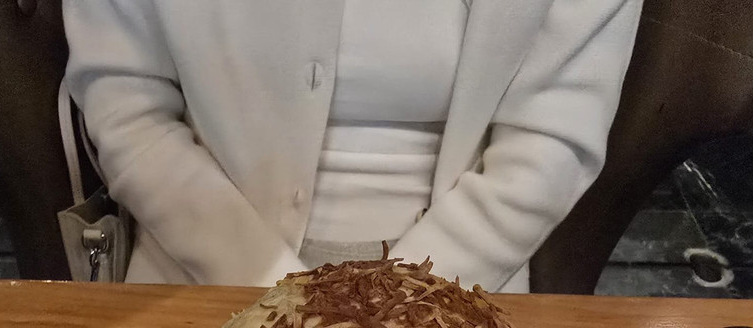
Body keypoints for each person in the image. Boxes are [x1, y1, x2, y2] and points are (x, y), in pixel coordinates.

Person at [63, 0, 642, 291]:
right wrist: (274, 293)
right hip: (197, 268)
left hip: (465, 282)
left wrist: (404, 303)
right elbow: (127, 108)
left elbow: (551, 140)